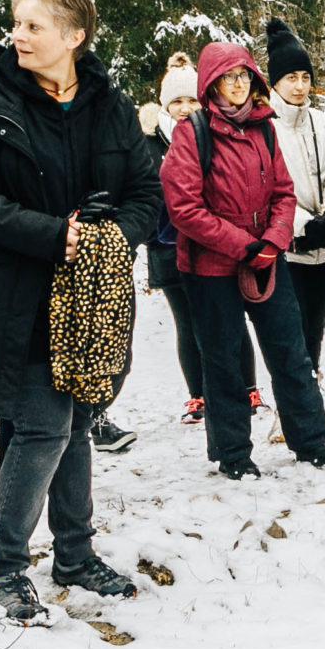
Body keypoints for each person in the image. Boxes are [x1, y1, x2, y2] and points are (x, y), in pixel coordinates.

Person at [0, 0, 161, 624]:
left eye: (35, 26)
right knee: (43, 424)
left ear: (75, 36)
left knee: (75, 420)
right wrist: (53, 235)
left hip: (91, 298)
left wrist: (112, 236)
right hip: (13, 292)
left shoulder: (109, 106)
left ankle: (73, 553)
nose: (19, 36)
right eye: (18, 23)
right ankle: (2, 569)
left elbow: (145, 192)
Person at [157, 39, 325, 480]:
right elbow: (185, 208)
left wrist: (274, 240)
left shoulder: (264, 128)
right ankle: (232, 451)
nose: (237, 85)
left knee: (290, 351)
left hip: (267, 259)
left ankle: (310, 440)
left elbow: (283, 190)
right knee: (221, 360)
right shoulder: (192, 132)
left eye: (243, 76)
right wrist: (243, 245)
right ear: (212, 84)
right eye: (228, 77)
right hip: (210, 268)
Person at [265, 17, 325, 403]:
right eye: (291, 78)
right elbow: (265, 190)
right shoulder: (264, 127)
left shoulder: (321, 123)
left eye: (304, 76)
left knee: (314, 326)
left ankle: (310, 395)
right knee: (289, 329)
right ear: (274, 82)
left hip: (324, 244)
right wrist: (300, 225)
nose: (299, 86)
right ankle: (292, 404)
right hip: (287, 247)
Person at [137, 53, 211, 427]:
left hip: (208, 243)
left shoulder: (211, 134)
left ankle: (231, 388)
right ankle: (197, 394)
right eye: (176, 102)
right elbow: (141, 193)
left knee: (213, 318)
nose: (184, 109)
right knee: (186, 321)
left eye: (191, 100)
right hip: (166, 246)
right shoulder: (148, 141)